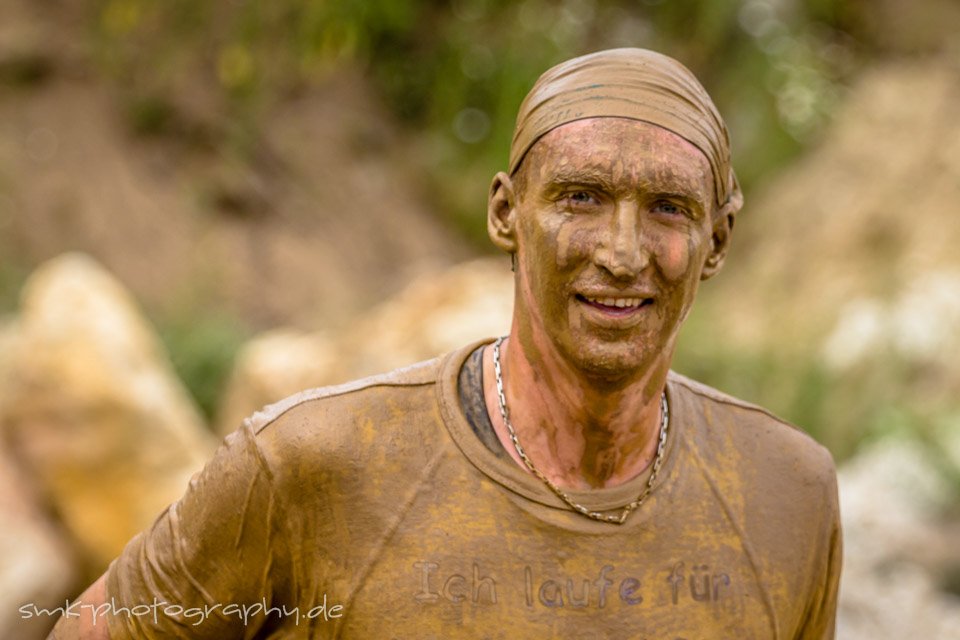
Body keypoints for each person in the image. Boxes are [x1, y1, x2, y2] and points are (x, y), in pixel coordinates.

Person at [51, 47, 841, 639]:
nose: (622, 250)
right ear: (506, 214)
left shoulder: (785, 493)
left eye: (668, 207)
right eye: (581, 196)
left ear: (719, 238)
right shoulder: (310, 465)